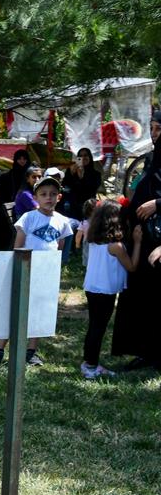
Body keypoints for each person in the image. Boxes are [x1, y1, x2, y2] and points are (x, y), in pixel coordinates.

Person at [0, 174, 73, 367]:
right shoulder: (29, 218)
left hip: (46, 274)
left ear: (59, 197)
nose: (48, 197)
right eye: (43, 194)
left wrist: (53, 267)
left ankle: (31, 351)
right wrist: (18, 266)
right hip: (25, 269)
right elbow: (19, 245)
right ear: (36, 197)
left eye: (53, 194)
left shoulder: (62, 221)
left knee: (40, 311)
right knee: (13, 309)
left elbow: (60, 246)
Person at [111, 108, 161, 371]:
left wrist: (158, 203)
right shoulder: (152, 159)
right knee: (142, 297)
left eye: (158, 129)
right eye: (152, 128)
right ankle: (146, 351)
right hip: (143, 239)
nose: (154, 134)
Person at [81, 199, 144, 379]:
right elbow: (131, 266)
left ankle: (88, 362)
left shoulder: (94, 240)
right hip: (105, 292)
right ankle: (91, 367)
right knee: (98, 328)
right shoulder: (115, 246)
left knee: (94, 326)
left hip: (92, 288)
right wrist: (137, 242)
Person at [0, 148, 32, 251]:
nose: (22, 161)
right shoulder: (8, 175)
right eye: (19, 159)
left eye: (24, 159)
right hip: (10, 205)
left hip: (25, 205)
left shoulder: (32, 175)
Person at [63, 148, 102, 221]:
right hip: (72, 206)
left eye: (85, 155)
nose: (83, 158)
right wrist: (71, 174)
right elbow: (65, 186)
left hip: (88, 206)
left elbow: (92, 189)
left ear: (90, 157)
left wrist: (81, 178)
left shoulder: (96, 174)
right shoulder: (71, 171)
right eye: (80, 156)